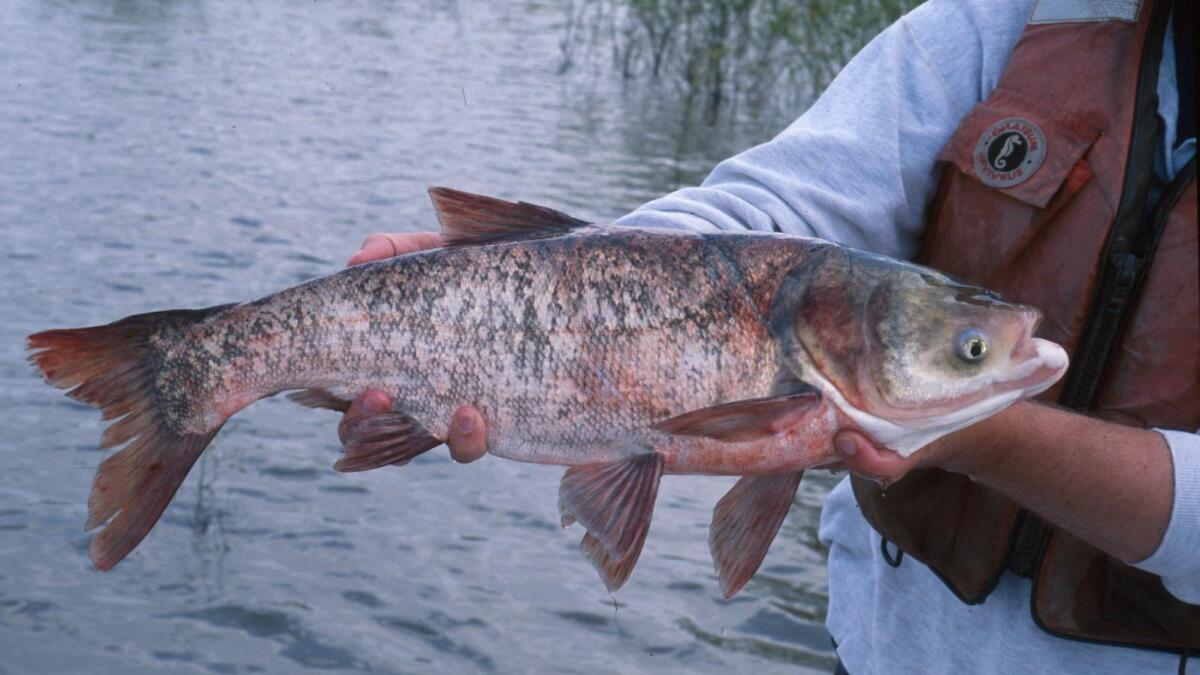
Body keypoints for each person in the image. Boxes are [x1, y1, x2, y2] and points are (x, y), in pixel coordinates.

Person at [341, 0, 1197, 671]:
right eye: (969, 352)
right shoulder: (1014, 16)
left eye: (967, 352)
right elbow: (785, 204)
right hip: (878, 653)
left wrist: (987, 436)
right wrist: (569, 275)